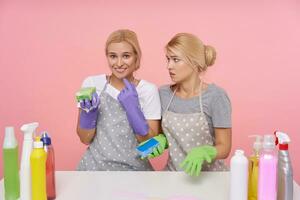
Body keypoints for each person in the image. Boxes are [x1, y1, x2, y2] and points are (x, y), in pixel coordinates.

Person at [76, 29, 161, 171]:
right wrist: (88, 115)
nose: (119, 63)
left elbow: (151, 146)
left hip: (135, 171)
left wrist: (133, 110)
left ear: (136, 57)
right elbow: (85, 139)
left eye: (126, 56)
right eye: (113, 56)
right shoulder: (92, 84)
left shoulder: (147, 90)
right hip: (94, 169)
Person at [158, 33, 232, 176]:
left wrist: (206, 151)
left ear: (194, 62)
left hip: (210, 177)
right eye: (168, 59)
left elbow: (225, 147)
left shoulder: (216, 96)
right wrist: (159, 141)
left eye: (175, 60)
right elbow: (166, 137)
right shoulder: (163, 94)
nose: (169, 66)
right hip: (174, 175)